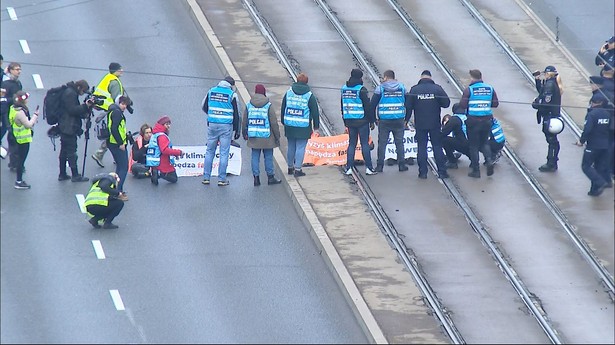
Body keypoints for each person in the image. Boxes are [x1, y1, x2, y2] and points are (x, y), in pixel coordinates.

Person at [408, 70, 451, 179]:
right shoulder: (437, 89)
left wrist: (406, 119)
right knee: (437, 146)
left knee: (421, 147)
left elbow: (408, 106)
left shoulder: (414, 89)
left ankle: (422, 173)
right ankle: (442, 172)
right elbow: (446, 104)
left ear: (421, 77)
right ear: (430, 78)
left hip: (420, 123)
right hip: (434, 123)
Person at [458, 69, 500, 178]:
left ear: (472, 77)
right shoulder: (490, 88)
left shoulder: (469, 90)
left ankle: (476, 171)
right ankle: (489, 160)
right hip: (486, 120)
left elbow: (462, 105)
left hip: (473, 121)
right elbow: (495, 104)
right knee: (484, 143)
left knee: (474, 146)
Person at [201, 76, 241, 186]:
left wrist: (212, 115)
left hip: (212, 124)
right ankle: (222, 179)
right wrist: (237, 130)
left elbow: (203, 106)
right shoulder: (232, 95)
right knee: (224, 152)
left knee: (210, 151)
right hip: (226, 126)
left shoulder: (211, 91)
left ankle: (206, 177)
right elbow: (237, 114)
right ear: (231, 85)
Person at [370, 69, 411, 173]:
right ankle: (402, 165)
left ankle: (380, 166)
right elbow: (409, 104)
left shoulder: (381, 88)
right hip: (399, 119)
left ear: (385, 77)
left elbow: (372, 105)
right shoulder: (402, 88)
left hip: (384, 120)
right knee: (399, 143)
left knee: (382, 143)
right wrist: (406, 119)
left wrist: (374, 120)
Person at [242, 84, 282, 186]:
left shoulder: (249, 105)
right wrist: (277, 136)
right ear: (263, 92)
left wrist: (244, 133)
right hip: (267, 137)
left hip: (254, 137)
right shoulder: (268, 105)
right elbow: (273, 123)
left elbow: (244, 121)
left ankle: (256, 178)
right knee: (268, 157)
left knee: (255, 157)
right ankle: (270, 177)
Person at [281, 72, 320, 177]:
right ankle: (298, 169)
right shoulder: (309, 96)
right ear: (306, 83)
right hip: (303, 126)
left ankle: (290, 167)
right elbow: (315, 112)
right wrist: (316, 127)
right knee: (300, 147)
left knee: (291, 146)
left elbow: (283, 107)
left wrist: (283, 121)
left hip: (289, 125)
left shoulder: (288, 93)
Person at [91, 62, 129, 168]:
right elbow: (118, 99)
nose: (122, 71)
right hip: (112, 109)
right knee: (116, 131)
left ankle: (101, 153)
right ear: (116, 70)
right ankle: (101, 153)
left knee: (112, 132)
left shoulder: (109, 78)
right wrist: (123, 107)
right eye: (120, 69)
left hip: (106, 107)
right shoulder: (114, 82)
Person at [574, 93, 612, 196]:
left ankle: (600, 182)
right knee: (598, 167)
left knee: (586, 166)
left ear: (594, 103)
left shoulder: (592, 114)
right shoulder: (607, 114)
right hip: (604, 145)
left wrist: (581, 141)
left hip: (593, 145)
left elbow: (587, 130)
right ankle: (594, 190)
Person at [340, 68, 377, 176]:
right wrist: (371, 121)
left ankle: (349, 168)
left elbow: (342, 106)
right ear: (360, 78)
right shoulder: (361, 89)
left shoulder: (344, 89)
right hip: (362, 121)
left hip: (350, 120)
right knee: (364, 144)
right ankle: (369, 168)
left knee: (352, 144)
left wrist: (345, 121)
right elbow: (368, 107)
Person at [58, 79, 94, 182]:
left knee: (64, 151)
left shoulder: (70, 92)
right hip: (68, 127)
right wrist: (85, 106)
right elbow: (72, 110)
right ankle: (75, 175)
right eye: (83, 91)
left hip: (65, 126)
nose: (82, 94)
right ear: (79, 87)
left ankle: (62, 173)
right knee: (71, 151)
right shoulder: (71, 94)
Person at [532, 65, 563, 172]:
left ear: (547, 74)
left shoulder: (550, 85)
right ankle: (552, 161)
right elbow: (542, 92)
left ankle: (551, 163)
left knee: (552, 140)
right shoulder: (551, 83)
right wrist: (537, 80)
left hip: (549, 116)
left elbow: (545, 102)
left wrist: (535, 104)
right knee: (552, 140)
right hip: (552, 115)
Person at [9, 91, 39, 189]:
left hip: (17, 137)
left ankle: (19, 180)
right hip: (23, 140)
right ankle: (19, 181)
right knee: (21, 161)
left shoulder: (13, 109)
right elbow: (28, 125)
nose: (28, 100)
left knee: (20, 160)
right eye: (26, 98)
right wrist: (35, 115)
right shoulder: (20, 113)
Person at [106, 96, 132, 200]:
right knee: (123, 167)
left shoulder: (113, 111)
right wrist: (121, 143)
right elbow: (114, 129)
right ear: (118, 103)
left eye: (126, 104)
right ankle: (118, 192)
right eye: (123, 104)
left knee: (119, 167)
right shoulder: (117, 113)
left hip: (112, 143)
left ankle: (115, 189)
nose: (124, 106)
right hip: (117, 144)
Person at [148, 116, 182, 185]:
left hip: (155, 162)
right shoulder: (162, 136)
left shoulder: (155, 134)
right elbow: (164, 150)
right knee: (174, 179)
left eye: (169, 124)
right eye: (167, 124)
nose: (169, 126)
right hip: (163, 162)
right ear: (162, 125)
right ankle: (159, 174)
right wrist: (178, 152)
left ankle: (155, 172)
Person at [1, 62, 23, 169]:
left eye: (20, 69)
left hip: (17, 114)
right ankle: (14, 163)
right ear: (10, 70)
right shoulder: (6, 84)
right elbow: (3, 100)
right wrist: (15, 99)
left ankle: (15, 162)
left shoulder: (17, 83)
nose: (19, 71)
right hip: (8, 114)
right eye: (16, 69)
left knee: (16, 138)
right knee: (13, 139)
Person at [441, 103, 469, 169]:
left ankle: (452, 161)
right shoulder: (469, 117)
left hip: (464, 145)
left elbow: (444, 132)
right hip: (474, 146)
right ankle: (476, 161)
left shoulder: (455, 119)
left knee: (444, 140)